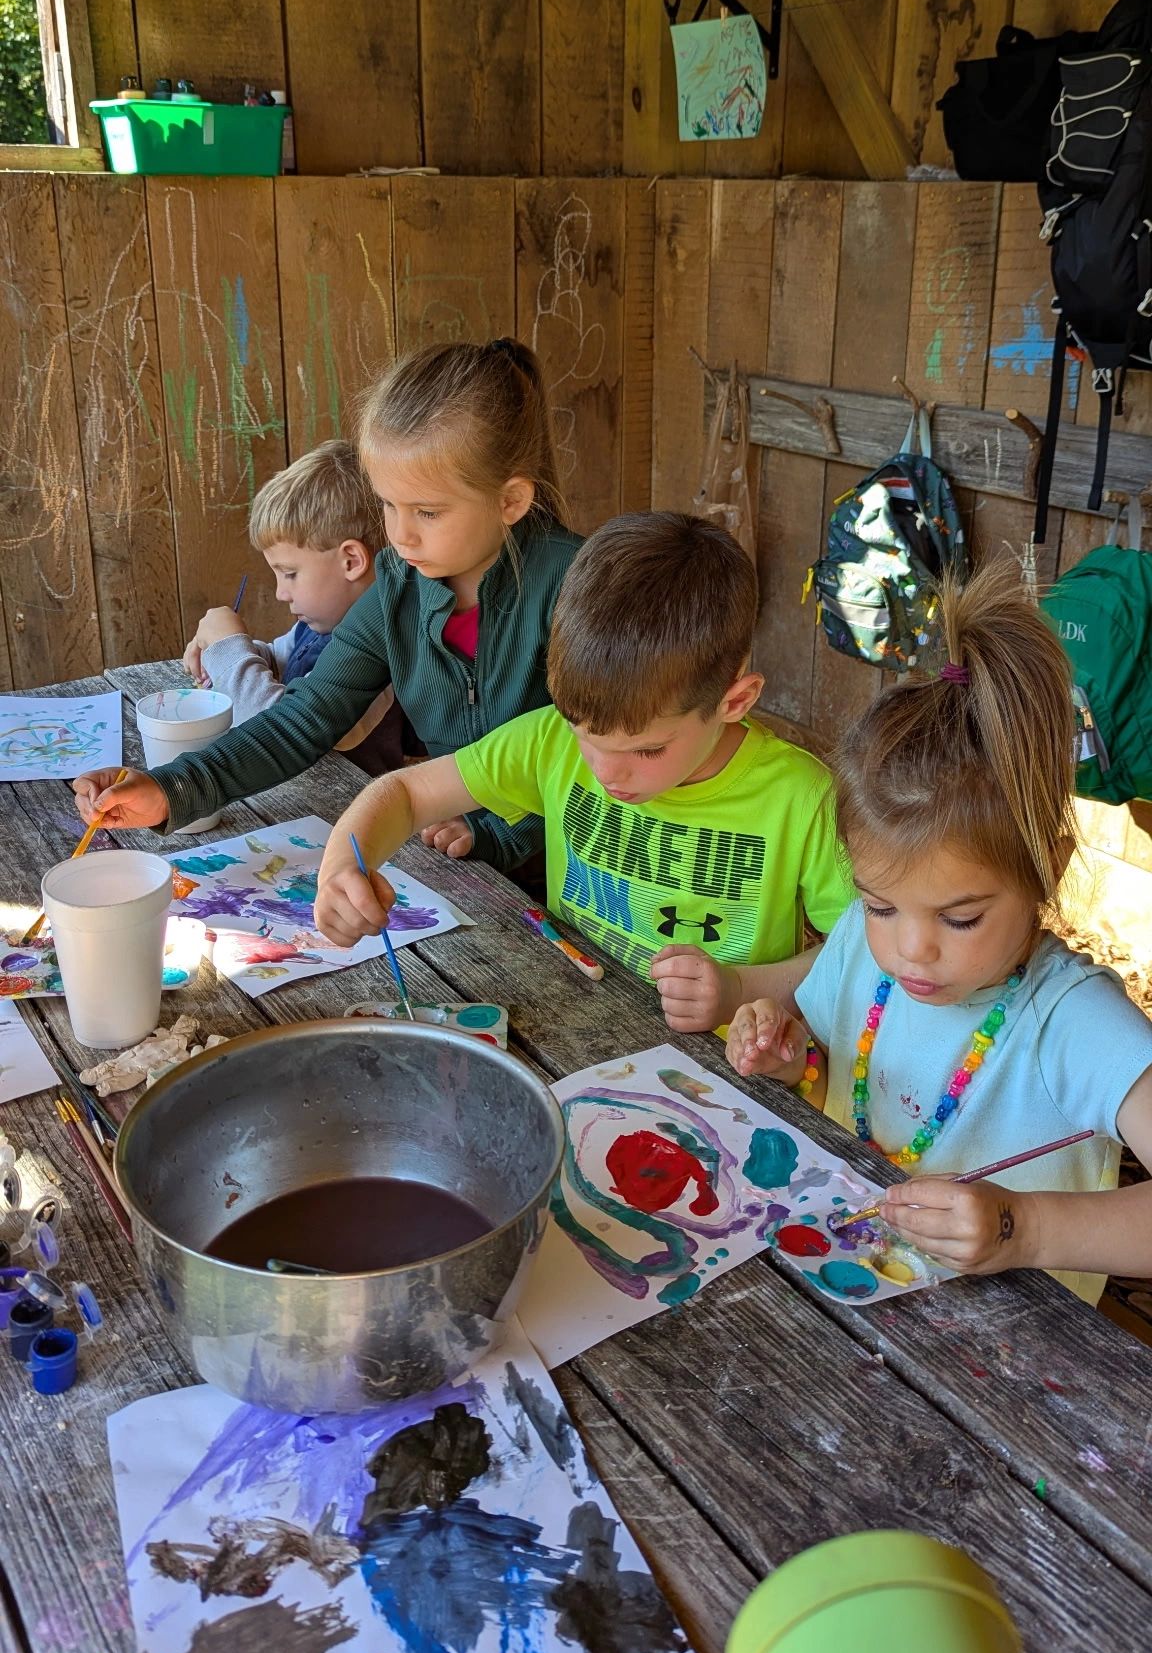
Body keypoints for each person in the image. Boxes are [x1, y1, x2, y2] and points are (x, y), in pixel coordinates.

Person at [725, 563, 1152, 1305]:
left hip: (1012, 1372)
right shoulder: (862, 942)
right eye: (879, 902)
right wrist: (795, 1066)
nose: (910, 948)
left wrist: (1025, 1228)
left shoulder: (1072, 1022)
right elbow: (850, 1081)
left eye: (960, 918)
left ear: (1046, 868)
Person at [312, 512, 853, 1033]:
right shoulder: (550, 739)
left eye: (646, 751)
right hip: (578, 1024)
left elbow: (862, 950)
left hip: (723, 1076)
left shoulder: (802, 798)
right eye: (585, 735)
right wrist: (342, 867)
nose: (606, 772)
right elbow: (406, 792)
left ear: (735, 701)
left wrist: (740, 990)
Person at [74, 338, 581, 872]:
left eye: (427, 512)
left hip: (576, 878)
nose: (400, 535)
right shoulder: (399, 586)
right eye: (388, 503)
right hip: (463, 856)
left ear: (510, 501)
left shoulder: (575, 588)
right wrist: (170, 788)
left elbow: (602, 755)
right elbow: (304, 719)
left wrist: (498, 833)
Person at [182, 438, 402, 772]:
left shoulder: (379, 654)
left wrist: (231, 653)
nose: (280, 594)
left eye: (290, 574)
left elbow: (278, 735)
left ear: (351, 561)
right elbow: (279, 659)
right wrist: (222, 656)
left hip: (339, 809)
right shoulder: (318, 627)